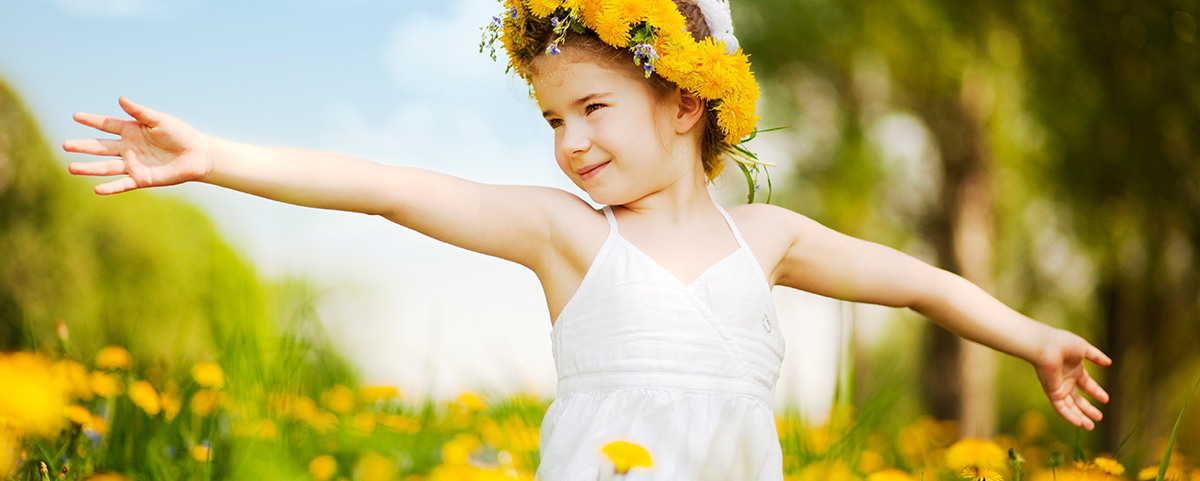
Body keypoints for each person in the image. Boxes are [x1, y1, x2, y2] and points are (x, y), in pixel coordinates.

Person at [63, 0, 1111, 479]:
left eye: (593, 109)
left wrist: (1031, 338)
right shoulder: (566, 236)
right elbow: (388, 188)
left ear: (685, 104)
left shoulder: (771, 239)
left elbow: (921, 282)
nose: (569, 142)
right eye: (552, 119)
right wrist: (214, 155)